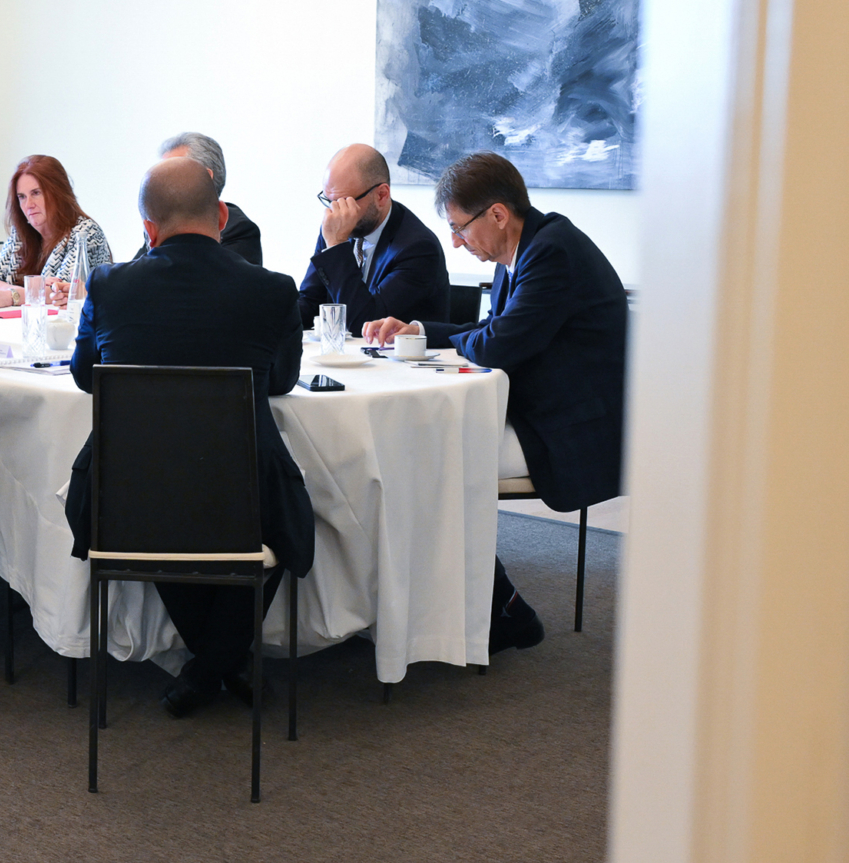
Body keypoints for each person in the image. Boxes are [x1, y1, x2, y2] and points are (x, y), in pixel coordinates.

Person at [64, 156, 315, 718]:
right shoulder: (273, 290)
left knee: (160, 512)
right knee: (274, 521)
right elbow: (281, 380)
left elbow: (85, 376)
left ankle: (207, 666)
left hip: (124, 499)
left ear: (147, 229)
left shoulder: (110, 285)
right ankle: (225, 660)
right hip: (240, 494)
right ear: (222, 216)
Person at [364, 151, 629, 653]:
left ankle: (502, 608)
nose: (455, 241)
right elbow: (491, 335)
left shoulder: (552, 253)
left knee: (427, 460)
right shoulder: (523, 252)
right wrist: (418, 330)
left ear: (499, 215)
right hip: (538, 407)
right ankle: (441, 604)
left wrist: (441, 342)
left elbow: (498, 345)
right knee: (416, 452)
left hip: (572, 428)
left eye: (459, 228)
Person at [297, 143, 449, 332]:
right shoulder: (337, 225)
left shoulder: (418, 248)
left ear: (381, 195)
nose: (335, 212)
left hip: (396, 359)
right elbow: (311, 302)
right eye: (329, 201)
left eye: (345, 202)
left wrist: (336, 246)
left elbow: (363, 322)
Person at [0, 154, 112, 307]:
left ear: (58, 193)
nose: (28, 205)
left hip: (71, 326)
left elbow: (63, 293)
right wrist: (35, 286)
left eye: (36, 193)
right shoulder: (20, 234)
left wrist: (12, 296)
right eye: (22, 197)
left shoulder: (85, 233)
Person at [132, 132, 262, 264]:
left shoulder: (239, 230)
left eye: (173, 172)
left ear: (206, 178)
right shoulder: (160, 226)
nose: (160, 183)